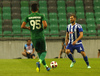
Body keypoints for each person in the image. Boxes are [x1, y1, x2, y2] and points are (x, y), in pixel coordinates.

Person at [21, 2, 51, 72]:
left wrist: (28, 28)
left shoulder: (28, 17)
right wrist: (42, 28)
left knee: (39, 53)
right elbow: (45, 25)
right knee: (44, 52)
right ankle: (39, 62)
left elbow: (22, 26)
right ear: (37, 9)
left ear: (31, 9)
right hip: (40, 36)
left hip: (33, 38)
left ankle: (46, 67)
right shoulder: (41, 16)